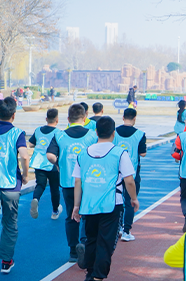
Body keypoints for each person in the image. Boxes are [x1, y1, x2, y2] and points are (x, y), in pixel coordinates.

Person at [72, 116, 139, 281]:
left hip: (89, 204)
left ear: (96, 132)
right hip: (111, 204)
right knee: (106, 243)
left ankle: (89, 271)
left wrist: (76, 206)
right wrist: (134, 198)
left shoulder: (83, 153)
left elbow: (78, 181)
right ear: (113, 133)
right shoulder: (119, 153)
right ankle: (98, 276)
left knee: (91, 239)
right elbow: (129, 180)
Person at [46, 104, 98, 263]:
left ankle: (73, 252)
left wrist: (58, 164)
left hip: (68, 182)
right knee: (87, 214)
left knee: (71, 215)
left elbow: (49, 155)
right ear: (85, 118)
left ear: (68, 119)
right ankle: (85, 244)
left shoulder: (60, 136)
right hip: (88, 182)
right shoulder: (92, 135)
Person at [0, 97, 29, 274]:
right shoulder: (17, 133)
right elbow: (25, 156)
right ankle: (6, 262)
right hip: (10, 185)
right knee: (10, 223)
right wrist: (25, 175)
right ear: (14, 115)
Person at [113, 108, 146, 242]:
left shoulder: (114, 132)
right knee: (130, 202)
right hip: (132, 173)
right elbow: (143, 154)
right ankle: (126, 231)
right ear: (134, 118)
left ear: (123, 117)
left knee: (116, 200)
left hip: (115, 172)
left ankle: (117, 228)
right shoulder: (140, 134)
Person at [29, 108, 62, 220]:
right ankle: (54, 211)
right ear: (57, 120)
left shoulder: (38, 130)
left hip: (39, 163)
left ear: (46, 119)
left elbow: (30, 144)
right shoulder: (58, 133)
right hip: (52, 163)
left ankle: (36, 199)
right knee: (54, 189)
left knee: (40, 184)